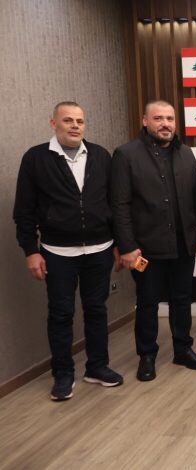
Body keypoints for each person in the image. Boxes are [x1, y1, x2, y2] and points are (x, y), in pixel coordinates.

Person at [13, 101, 123, 401]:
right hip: (57, 252)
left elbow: (113, 204)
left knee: (97, 310)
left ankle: (97, 367)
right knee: (61, 314)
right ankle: (62, 374)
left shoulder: (100, 155)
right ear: (53, 123)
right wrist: (30, 250)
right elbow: (24, 211)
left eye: (80, 121)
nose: (75, 126)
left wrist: (117, 244)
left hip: (100, 249)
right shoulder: (36, 158)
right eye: (68, 120)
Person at [111, 99, 196, 381]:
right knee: (148, 303)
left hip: (182, 245)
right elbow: (119, 205)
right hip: (145, 249)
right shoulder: (126, 155)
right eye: (158, 118)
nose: (165, 124)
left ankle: (182, 349)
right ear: (145, 121)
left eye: (170, 119)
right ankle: (147, 355)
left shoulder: (186, 154)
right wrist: (127, 246)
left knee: (182, 300)